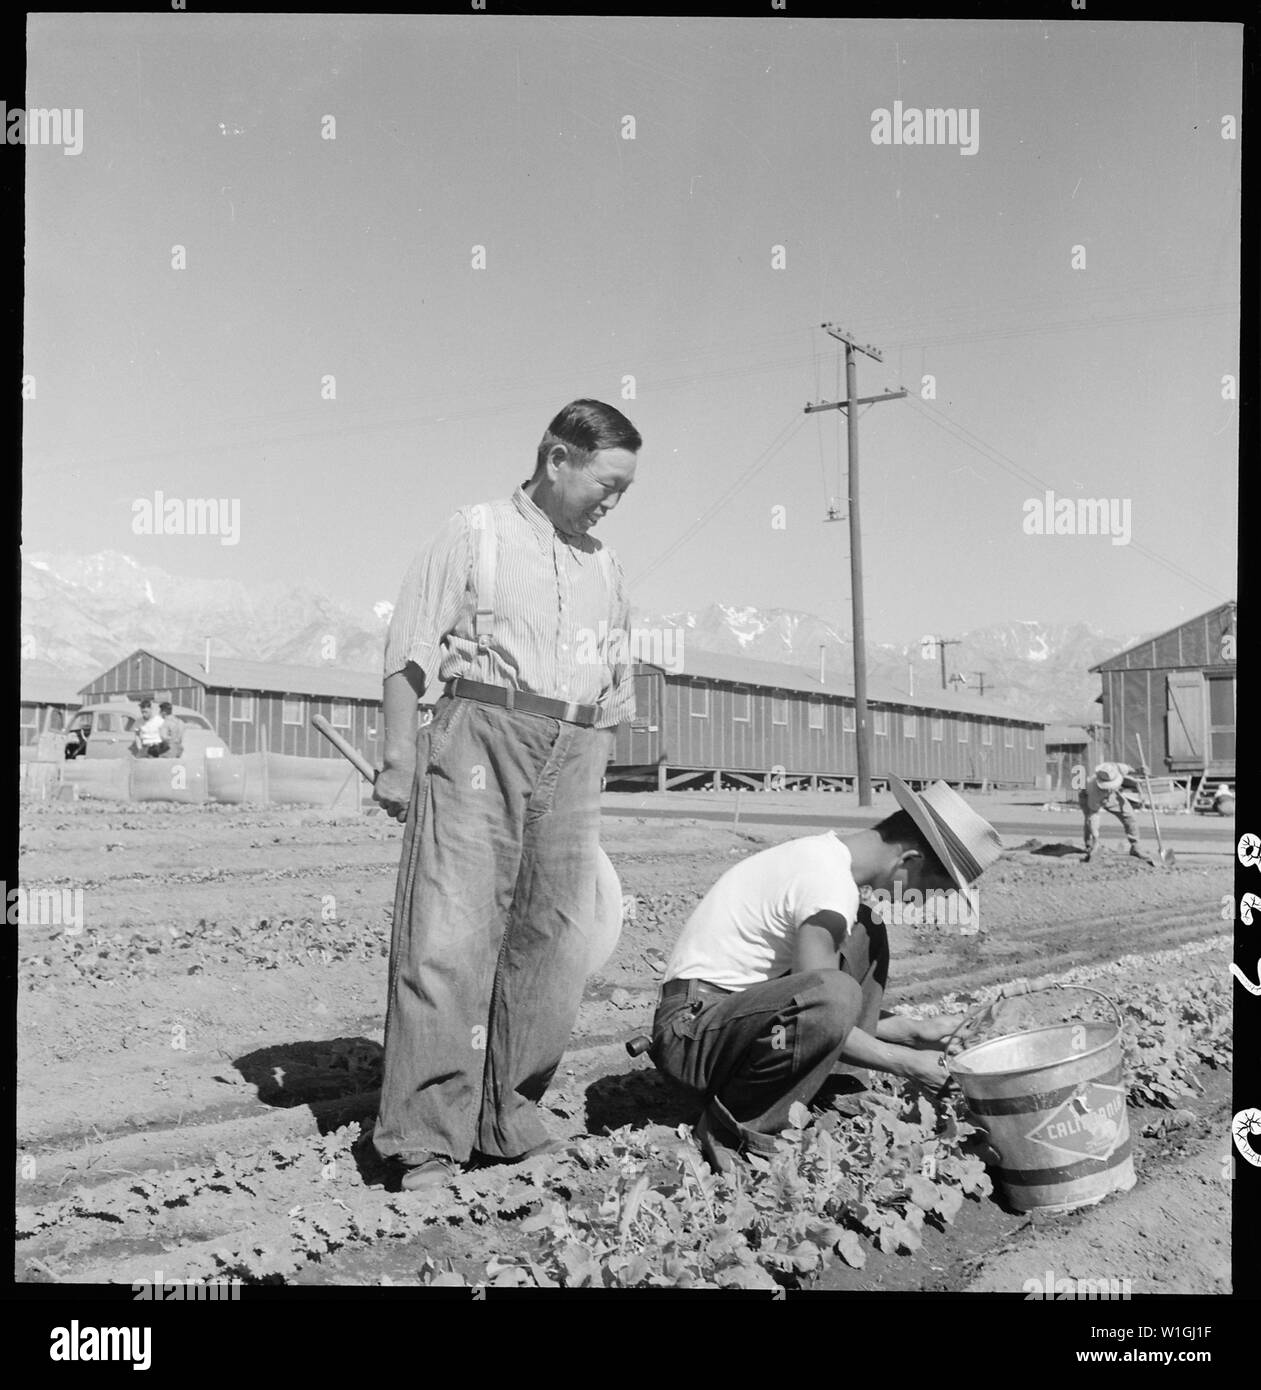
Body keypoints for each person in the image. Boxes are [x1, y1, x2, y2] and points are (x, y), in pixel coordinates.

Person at [372, 399, 641, 1190]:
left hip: (578, 744)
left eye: (625, 489)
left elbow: (616, 685)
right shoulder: (474, 532)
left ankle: (509, 1117)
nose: (613, 501)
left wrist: (592, 763)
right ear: (557, 458)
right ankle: (423, 1137)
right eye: (607, 482)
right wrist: (396, 759)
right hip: (482, 729)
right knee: (449, 934)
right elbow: (407, 653)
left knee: (555, 941)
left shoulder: (606, 566)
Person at [649, 776, 1003, 1173]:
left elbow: (804, 1013)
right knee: (833, 989)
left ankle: (837, 1086)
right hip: (691, 1036)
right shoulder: (828, 887)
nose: (927, 902)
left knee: (866, 930)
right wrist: (905, 1062)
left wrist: (914, 1031)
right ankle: (731, 1129)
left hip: (724, 1020)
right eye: (934, 889)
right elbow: (822, 1004)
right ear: (910, 862)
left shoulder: (826, 859)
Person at [1079, 761, 1151, 863]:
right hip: (1088, 796)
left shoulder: (1119, 768)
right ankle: (1091, 845)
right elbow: (1094, 816)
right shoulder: (1092, 790)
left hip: (1112, 796)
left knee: (1129, 815)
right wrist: (1096, 839)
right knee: (1089, 822)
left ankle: (1135, 847)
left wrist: (1140, 771)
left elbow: (1131, 771)